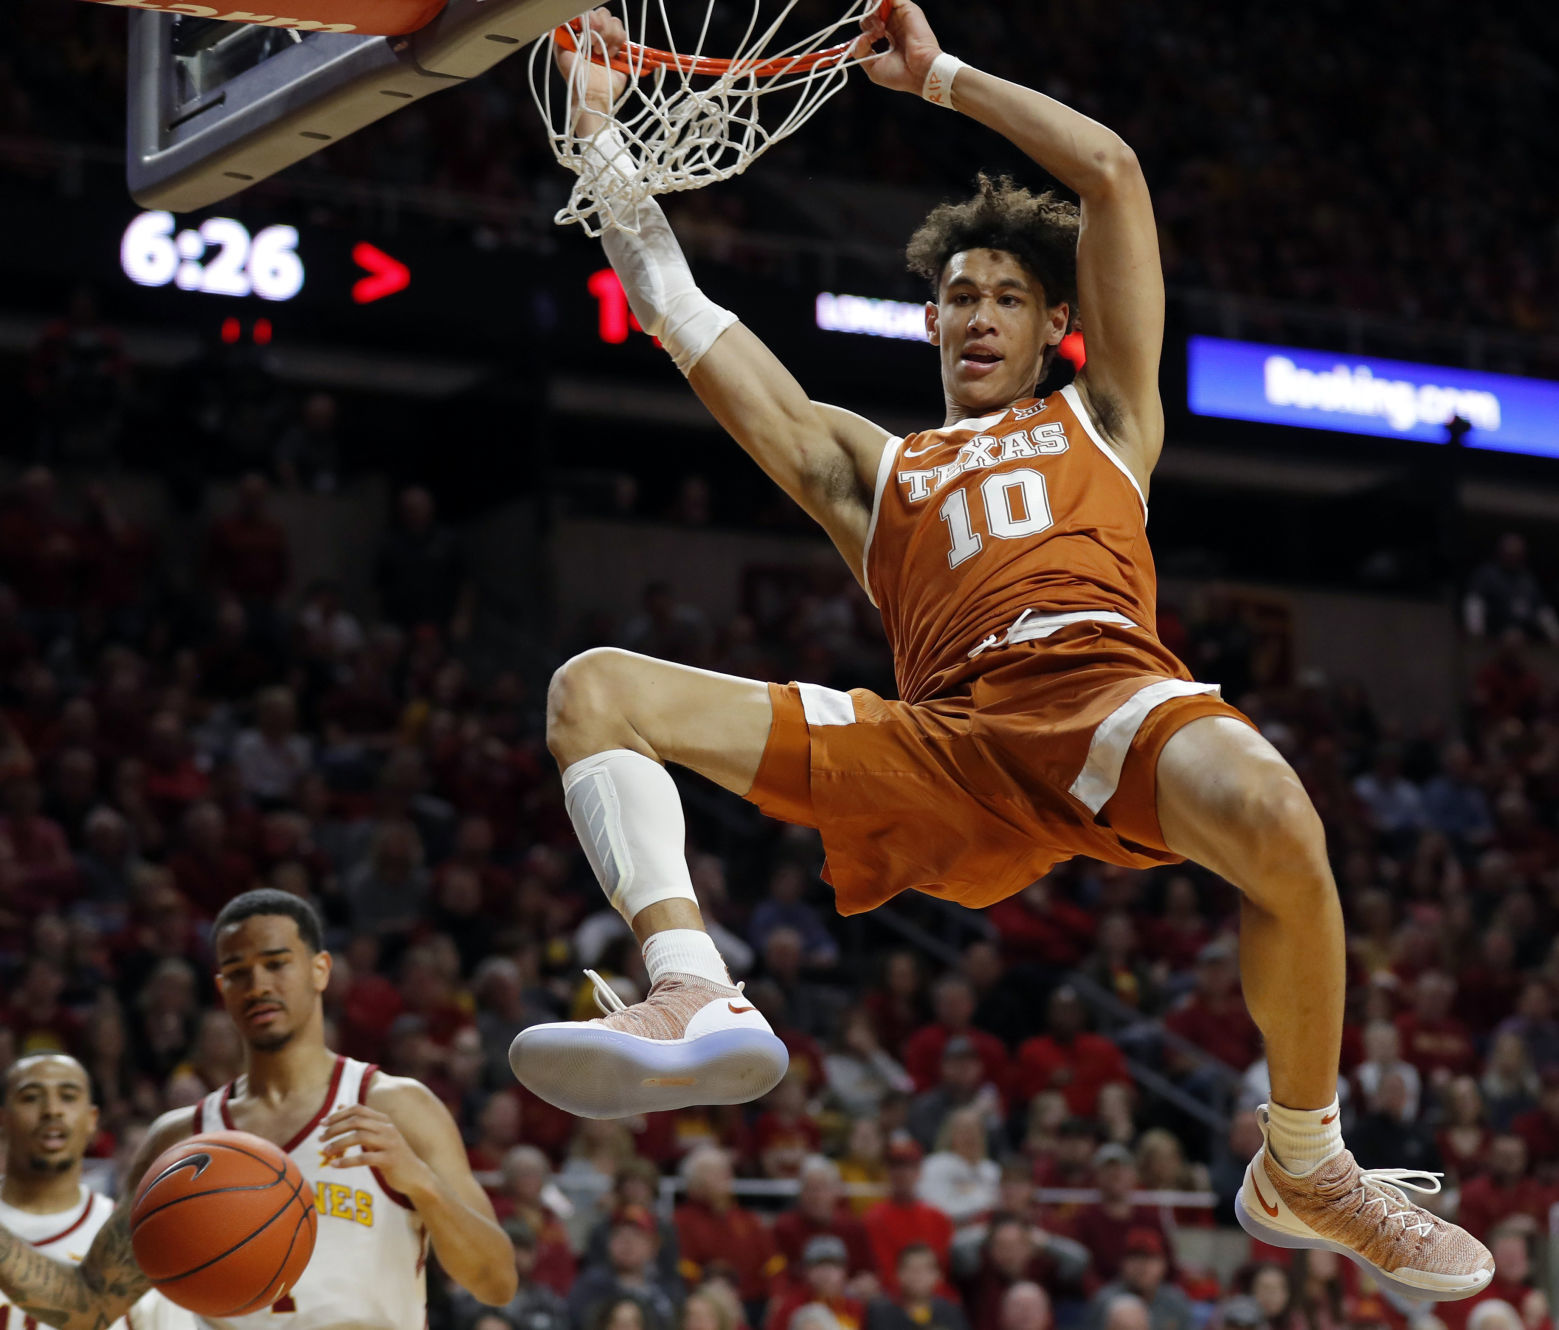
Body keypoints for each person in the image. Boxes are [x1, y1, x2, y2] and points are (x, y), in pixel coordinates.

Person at [510, 0, 1493, 1302]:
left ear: (1050, 329)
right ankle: (689, 987)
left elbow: (1111, 173)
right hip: (949, 743)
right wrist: (602, 155)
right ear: (928, 325)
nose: (975, 313)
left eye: (1005, 297)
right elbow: (684, 318)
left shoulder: (1106, 418)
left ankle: (1304, 1164)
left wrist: (943, 79)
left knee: (1274, 814)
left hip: (1107, 700)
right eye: (955, 295)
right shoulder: (876, 467)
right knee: (592, 690)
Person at [0, 889, 515, 1330]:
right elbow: (89, 1305)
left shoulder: (396, 1107)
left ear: (320, 970)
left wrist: (420, 1181)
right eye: (237, 971)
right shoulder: (179, 1140)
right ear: (222, 990)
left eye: (275, 963)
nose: (259, 985)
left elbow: (496, 1282)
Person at [0, 1054, 190, 1330]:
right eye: (30, 1097)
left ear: (92, 1119)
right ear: (3, 1119)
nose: (52, 1110)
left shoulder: (132, 1241)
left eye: (67, 1096)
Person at [866, 1245, 967, 1330]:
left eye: (925, 1269)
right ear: (898, 1274)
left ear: (938, 1275)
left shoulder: (951, 1313)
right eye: (911, 1269)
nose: (918, 1276)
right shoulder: (880, 1314)